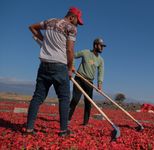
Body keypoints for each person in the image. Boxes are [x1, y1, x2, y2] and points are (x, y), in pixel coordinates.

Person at [26, 7, 83, 137]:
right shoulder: (71, 28)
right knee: (64, 98)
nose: (77, 24)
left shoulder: (50, 21)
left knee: (37, 97)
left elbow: (32, 27)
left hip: (44, 65)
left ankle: (29, 129)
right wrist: (70, 68)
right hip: (60, 66)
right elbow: (69, 50)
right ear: (72, 17)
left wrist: (44, 40)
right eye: (77, 21)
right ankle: (64, 131)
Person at [68, 38, 105, 125]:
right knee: (75, 100)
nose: (102, 48)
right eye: (101, 46)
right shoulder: (85, 52)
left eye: (103, 46)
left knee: (88, 103)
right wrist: (72, 66)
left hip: (89, 82)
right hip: (79, 79)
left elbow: (101, 72)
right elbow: (72, 55)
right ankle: (67, 119)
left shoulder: (100, 60)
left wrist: (99, 83)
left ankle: (85, 123)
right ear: (95, 45)